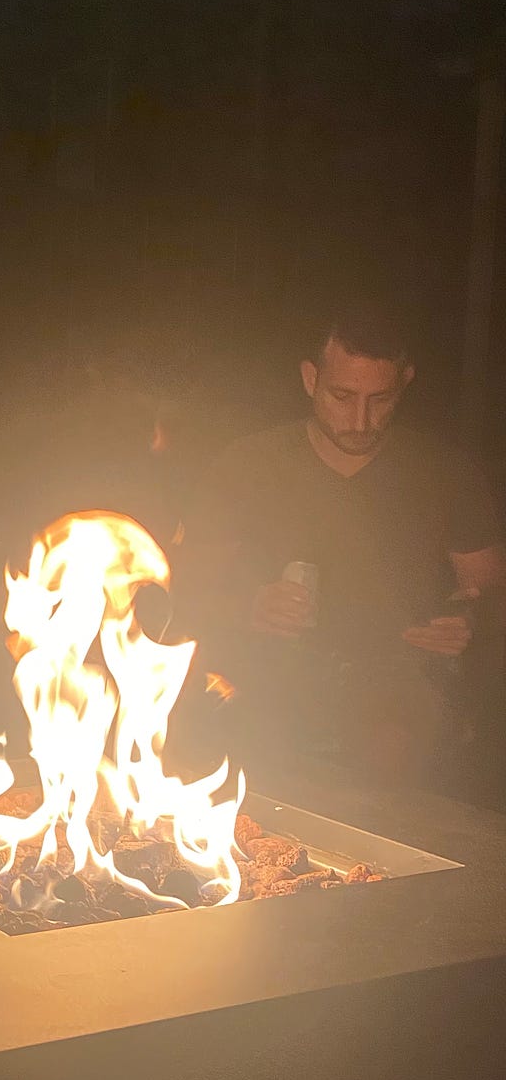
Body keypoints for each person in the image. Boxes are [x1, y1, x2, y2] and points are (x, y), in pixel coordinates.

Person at [183, 298, 505, 786]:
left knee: (395, 744)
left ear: (405, 383)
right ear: (310, 379)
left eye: (379, 400)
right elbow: (182, 592)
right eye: (341, 395)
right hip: (267, 682)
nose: (359, 420)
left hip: (395, 689)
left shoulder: (446, 473)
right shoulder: (248, 464)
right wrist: (247, 607)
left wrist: (465, 624)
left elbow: (490, 597)